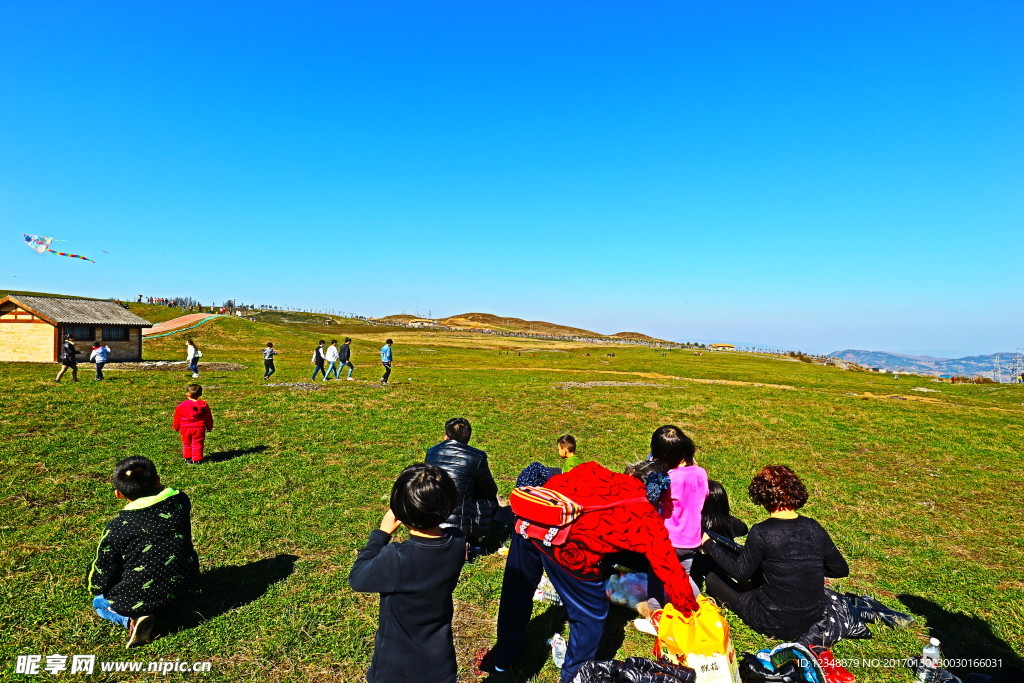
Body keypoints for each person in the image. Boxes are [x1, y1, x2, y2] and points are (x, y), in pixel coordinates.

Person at [481, 461, 698, 682]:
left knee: (516, 592)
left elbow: (557, 483)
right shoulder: (646, 514)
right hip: (567, 547)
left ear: (631, 471)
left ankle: (503, 658)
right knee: (590, 613)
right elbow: (668, 566)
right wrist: (689, 608)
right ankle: (575, 676)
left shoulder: (592, 469)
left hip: (528, 521)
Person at [700, 465, 849, 641]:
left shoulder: (762, 532)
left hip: (771, 621)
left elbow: (740, 573)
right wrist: (803, 569)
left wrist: (709, 544)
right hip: (811, 617)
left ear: (762, 497)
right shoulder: (813, 527)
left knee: (712, 579)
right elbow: (840, 569)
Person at [349, 464, 466, 683]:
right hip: (440, 663)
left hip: (396, 667)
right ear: (450, 504)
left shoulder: (397, 557)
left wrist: (381, 534)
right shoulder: (458, 541)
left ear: (400, 510)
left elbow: (358, 578)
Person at [87, 456, 199, 647]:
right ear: (157, 480)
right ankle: (167, 606)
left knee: (98, 603)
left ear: (118, 494)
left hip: (139, 598)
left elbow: (102, 569)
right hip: (186, 584)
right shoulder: (180, 501)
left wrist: (95, 588)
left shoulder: (118, 527)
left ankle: (130, 620)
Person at [425, 418, 500, 543]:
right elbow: (490, 490)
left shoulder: (432, 452)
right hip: (461, 520)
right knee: (488, 499)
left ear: (446, 436)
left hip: (434, 512)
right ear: (468, 436)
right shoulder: (477, 456)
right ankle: (473, 537)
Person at [688, 480, 748, 591]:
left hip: (704, 568)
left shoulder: (697, 523)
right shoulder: (729, 521)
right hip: (727, 565)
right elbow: (744, 529)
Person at [172, 384, 214, 464]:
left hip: (185, 428)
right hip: (199, 428)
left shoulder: (181, 406)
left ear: (187, 394)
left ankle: (188, 457)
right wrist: (209, 426)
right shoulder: (203, 405)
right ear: (200, 394)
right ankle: (197, 459)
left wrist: (176, 426)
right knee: (198, 443)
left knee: (187, 443)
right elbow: (208, 417)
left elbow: (177, 417)